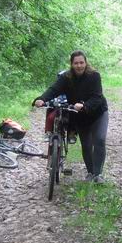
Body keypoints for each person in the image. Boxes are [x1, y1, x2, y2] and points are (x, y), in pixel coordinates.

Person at [34, 51, 109, 182]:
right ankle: (91, 173)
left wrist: (84, 105)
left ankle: (98, 175)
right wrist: (41, 99)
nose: (79, 65)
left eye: (81, 62)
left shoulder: (94, 76)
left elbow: (97, 97)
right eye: (76, 63)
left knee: (99, 139)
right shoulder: (66, 78)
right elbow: (53, 89)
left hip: (98, 113)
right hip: (79, 116)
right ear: (71, 64)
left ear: (86, 63)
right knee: (86, 145)